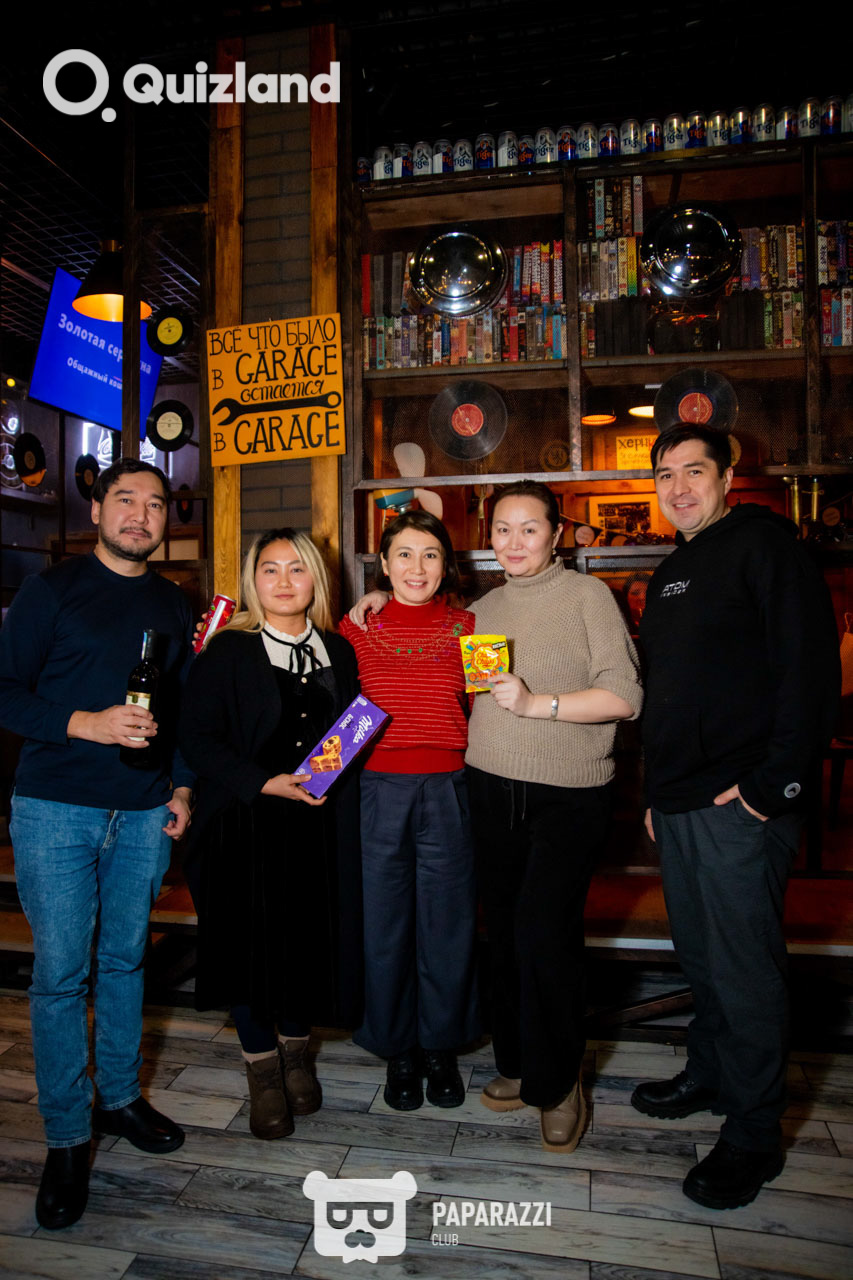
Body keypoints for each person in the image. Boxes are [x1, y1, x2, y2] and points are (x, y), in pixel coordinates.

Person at [351, 483, 643, 1150]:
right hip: (486, 787)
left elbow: (625, 695)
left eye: (528, 528)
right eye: (502, 530)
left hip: (567, 793)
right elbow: (418, 667)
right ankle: (516, 1062)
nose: (514, 542)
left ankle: (558, 1081)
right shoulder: (477, 614)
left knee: (544, 933)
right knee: (505, 933)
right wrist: (375, 600)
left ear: (555, 534)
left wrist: (539, 703)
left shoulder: (586, 597)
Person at [632, 425, 840, 1210]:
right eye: (665, 475)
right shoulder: (671, 570)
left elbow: (808, 675)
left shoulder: (765, 548)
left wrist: (769, 788)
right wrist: (655, 792)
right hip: (679, 802)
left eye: (694, 471)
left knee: (744, 971)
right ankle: (711, 1074)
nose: (678, 487)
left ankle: (753, 1134)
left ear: (726, 477)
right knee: (701, 957)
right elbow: (670, 692)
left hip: (738, 803)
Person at [0, 458, 193, 1231]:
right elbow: (5, 693)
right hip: (55, 810)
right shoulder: (51, 591)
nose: (140, 514)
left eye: (155, 503)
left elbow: (181, 708)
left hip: (143, 813)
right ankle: (66, 1136)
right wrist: (86, 722)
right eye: (125, 499)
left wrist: (181, 789)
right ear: (98, 508)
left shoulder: (173, 604)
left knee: (124, 962)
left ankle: (117, 1099)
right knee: (59, 976)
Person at [178, 528, 363, 1140]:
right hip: (242, 824)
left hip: (316, 826)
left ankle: (296, 1054)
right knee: (248, 951)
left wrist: (331, 774)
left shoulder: (338, 650)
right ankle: (262, 1071)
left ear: (316, 579)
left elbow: (351, 730)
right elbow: (197, 740)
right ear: (252, 582)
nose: (284, 581)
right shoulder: (227, 651)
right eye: (270, 570)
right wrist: (262, 782)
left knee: (307, 943)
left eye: (296, 569)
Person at [339, 510, 480, 1112]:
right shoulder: (354, 630)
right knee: (384, 923)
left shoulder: (471, 627)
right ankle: (396, 1046)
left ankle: (440, 1046)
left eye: (429, 554)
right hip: (376, 790)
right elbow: (338, 715)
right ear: (384, 563)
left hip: (449, 788)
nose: (416, 567)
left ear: (446, 565)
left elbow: (489, 711)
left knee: (448, 924)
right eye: (404, 553)